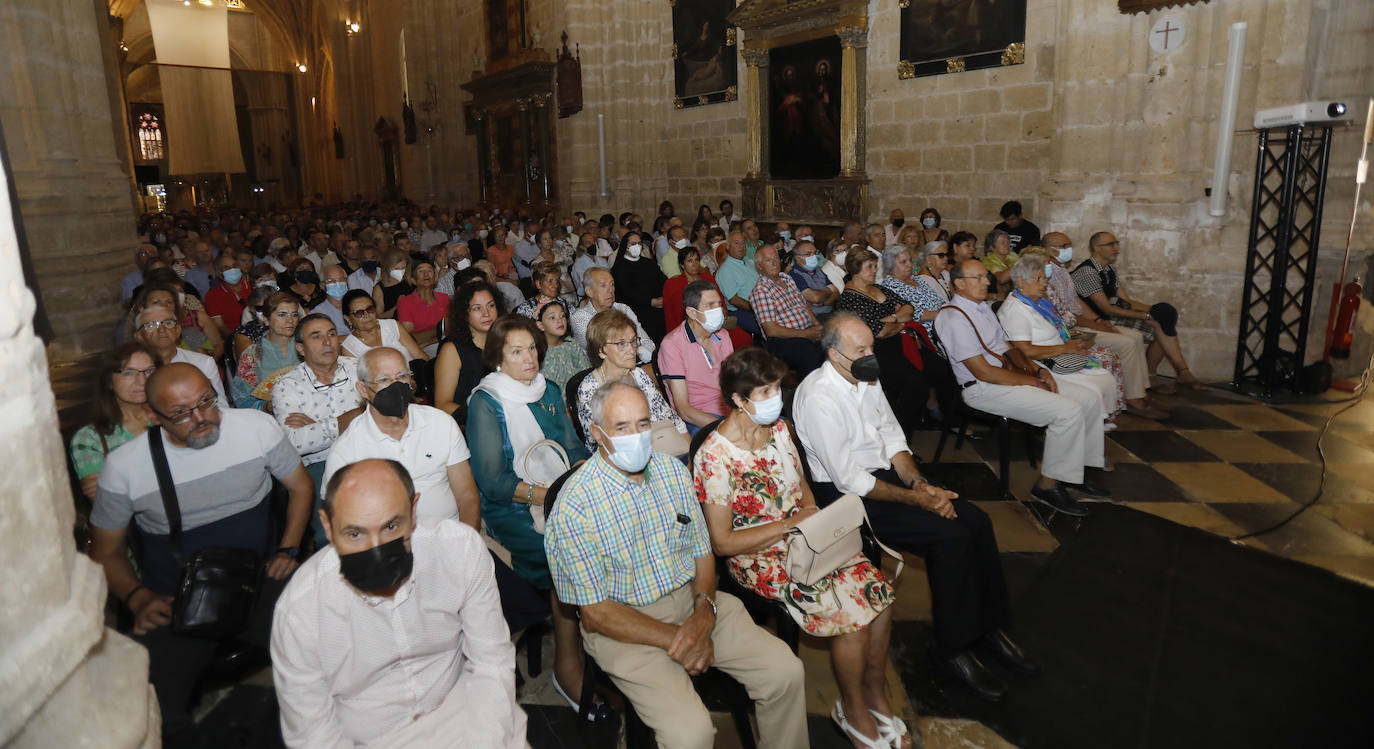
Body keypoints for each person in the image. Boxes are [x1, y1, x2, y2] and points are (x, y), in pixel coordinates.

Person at [545, 380, 808, 748]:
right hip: (625, 627)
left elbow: (703, 550)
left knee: (786, 673)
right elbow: (595, 613)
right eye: (622, 428)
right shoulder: (575, 506)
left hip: (694, 600)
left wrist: (703, 613)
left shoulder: (671, 472)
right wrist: (682, 639)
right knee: (691, 733)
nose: (636, 436)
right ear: (598, 434)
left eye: (642, 423)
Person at [794, 314, 1034, 703]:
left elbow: (892, 437)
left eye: (872, 346)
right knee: (950, 537)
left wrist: (920, 483)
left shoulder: (865, 376)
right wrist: (918, 499)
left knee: (977, 520)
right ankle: (951, 649)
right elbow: (850, 481)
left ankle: (988, 627)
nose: (872, 355)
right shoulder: (818, 397)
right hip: (846, 497)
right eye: (862, 350)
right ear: (835, 355)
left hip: (885, 477)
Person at [695, 348, 908, 748]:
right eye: (764, 391)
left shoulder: (779, 428)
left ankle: (873, 692)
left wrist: (811, 512)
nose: (775, 397)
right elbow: (722, 543)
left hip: (808, 538)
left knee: (880, 593)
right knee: (852, 612)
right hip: (758, 556)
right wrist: (790, 524)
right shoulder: (715, 458)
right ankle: (851, 708)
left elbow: (801, 483)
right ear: (738, 400)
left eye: (777, 387)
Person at [89, 363, 312, 744]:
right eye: (180, 413)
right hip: (178, 598)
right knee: (148, 708)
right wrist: (138, 597)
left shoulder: (255, 429)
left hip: (256, 580)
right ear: (152, 416)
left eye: (207, 402)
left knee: (327, 648)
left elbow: (301, 487)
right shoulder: (124, 467)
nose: (201, 418)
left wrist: (288, 548)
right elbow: (105, 552)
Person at [271, 459, 526, 748]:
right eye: (355, 534)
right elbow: (313, 733)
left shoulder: (458, 550)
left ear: (413, 511)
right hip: (366, 738)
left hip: (464, 713)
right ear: (328, 527)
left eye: (391, 526)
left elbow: (491, 662)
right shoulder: (301, 609)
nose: (376, 550)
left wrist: (486, 741)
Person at [466, 316, 605, 719]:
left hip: (558, 493)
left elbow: (572, 449)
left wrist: (581, 482)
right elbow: (493, 482)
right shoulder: (486, 402)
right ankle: (568, 664)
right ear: (497, 358)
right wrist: (552, 496)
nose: (529, 359)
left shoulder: (548, 389)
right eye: (516, 351)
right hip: (513, 508)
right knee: (568, 549)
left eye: (532, 349)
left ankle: (609, 641)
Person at [936, 260, 1110, 518]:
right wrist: (1035, 382)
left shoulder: (981, 307)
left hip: (1009, 375)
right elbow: (983, 372)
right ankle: (1047, 487)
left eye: (986, 276)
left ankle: (1075, 472)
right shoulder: (952, 318)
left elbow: (1008, 348)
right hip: (983, 388)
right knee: (1068, 411)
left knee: (1090, 398)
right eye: (979, 277)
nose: (988, 281)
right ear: (959, 284)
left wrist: (1039, 370)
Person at [323, 347, 481, 526]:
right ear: (363, 389)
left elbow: (467, 497)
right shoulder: (347, 449)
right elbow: (343, 520)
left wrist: (466, 543)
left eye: (402, 376)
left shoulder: (441, 423)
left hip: (451, 533)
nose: (396, 386)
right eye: (384, 379)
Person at [1036, 234, 1165, 419]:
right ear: (1047, 249)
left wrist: (1098, 321)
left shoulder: (1061, 270)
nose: (1067, 249)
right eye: (1062, 246)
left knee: (1135, 337)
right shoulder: (1050, 274)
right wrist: (1096, 324)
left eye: (1068, 244)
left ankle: (1140, 393)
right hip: (1069, 329)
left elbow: (1076, 303)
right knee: (1127, 343)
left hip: (1079, 322)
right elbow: (1065, 315)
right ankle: (1134, 399)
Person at [271, 313, 365, 546]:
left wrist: (316, 425)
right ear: (300, 348)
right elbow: (294, 442)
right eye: (317, 336)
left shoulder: (360, 368)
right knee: (334, 534)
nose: (327, 342)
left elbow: (387, 412)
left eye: (332, 334)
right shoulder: (287, 386)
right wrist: (345, 420)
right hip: (319, 466)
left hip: (369, 451)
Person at [1071, 231, 1205, 391]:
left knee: (1164, 319)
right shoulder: (1088, 271)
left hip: (1109, 314)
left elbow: (1126, 302)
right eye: (1110, 244)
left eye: (1116, 243)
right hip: (1098, 320)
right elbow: (1107, 309)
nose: (1116, 248)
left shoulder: (1109, 270)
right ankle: (1174, 374)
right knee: (1159, 324)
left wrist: (1154, 309)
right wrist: (1147, 315)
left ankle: (1162, 375)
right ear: (1096, 248)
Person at [1000, 255, 1121, 421]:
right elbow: (1024, 350)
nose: (1045, 283)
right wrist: (1064, 348)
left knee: (1104, 377)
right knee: (1096, 388)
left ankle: (1094, 426)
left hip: (1058, 355)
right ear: (1020, 282)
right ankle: (1086, 427)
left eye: (1045, 278)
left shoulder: (1039, 302)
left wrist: (1068, 344)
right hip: (1042, 365)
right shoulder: (1015, 309)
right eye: (1039, 279)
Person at [836, 250, 935, 434]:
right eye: (870, 267)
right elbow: (878, 332)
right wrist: (900, 319)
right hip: (874, 353)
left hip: (898, 346)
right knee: (916, 386)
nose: (875, 271)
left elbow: (909, 308)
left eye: (875, 266)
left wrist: (893, 319)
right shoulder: (850, 298)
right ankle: (897, 434)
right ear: (855, 270)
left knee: (931, 373)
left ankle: (905, 432)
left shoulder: (879, 288)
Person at [575, 309, 686, 455]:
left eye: (633, 341)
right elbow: (597, 446)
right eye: (621, 344)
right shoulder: (590, 389)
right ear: (601, 351)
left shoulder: (638, 375)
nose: (631, 349)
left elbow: (672, 419)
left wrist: (691, 455)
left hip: (661, 446)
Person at [69, 342, 161, 502]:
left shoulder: (173, 418)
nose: (141, 380)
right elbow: (106, 503)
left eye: (149, 371)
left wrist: (121, 481)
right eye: (128, 373)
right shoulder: (89, 438)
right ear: (109, 381)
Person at [660, 281, 736, 434]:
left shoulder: (723, 336)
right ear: (692, 312)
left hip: (731, 410)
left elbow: (734, 382)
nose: (718, 310)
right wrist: (727, 428)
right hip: (698, 419)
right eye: (710, 305)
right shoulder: (672, 345)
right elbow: (684, 410)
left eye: (719, 304)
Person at [132, 303, 229, 407]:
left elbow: (220, 407)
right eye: (151, 325)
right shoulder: (131, 369)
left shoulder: (203, 363)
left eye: (168, 323)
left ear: (178, 330)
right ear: (139, 337)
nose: (161, 330)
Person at [433, 281, 502, 422]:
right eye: (477, 308)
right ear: (465, 313)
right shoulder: (452, 349)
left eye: (491, 305)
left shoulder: (506, 341)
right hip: (470, 423)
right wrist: (486, 418)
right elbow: (442, 405)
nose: (486, 313)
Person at [751, 244, 825, 375]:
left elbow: (804, 305)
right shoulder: (761, 291)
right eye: (768, 260)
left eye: (776, 258)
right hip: (782, 340)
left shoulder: (787, 278)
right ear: (759, 266)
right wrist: (806, 334)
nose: (774, 263)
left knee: (832, 340)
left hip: (805, 331)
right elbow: (771, 330)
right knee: (810, 352)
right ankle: (808, 391)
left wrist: (817, 325)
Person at [569, 267, 655, 364]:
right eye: (603, 285)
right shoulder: (580, 318)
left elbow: (648, 342)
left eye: (612, 284)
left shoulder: (623, 309)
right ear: (589, 291)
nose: (610, 290)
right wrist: (639, 351)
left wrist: (640, 354)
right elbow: (605, 352)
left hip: (637, 364)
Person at [232, 291, 303, 409]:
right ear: (266, 319)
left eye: (294, 314)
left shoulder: (307, 347)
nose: (290, 320)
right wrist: (268, 406)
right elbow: (241, 399)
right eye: (282, 315)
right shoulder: (252, 355)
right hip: (270, 418)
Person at [340, 289, 428, 363]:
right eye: (359, 313)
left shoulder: (392, 325)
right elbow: (358, 381)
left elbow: (419, 356)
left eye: (369, 309)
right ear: (348, 319)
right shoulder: (349, 348)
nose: (366, 315)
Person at [610, 230, 668, 343]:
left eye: (639, 243)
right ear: (625, 245)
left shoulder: (649, 263)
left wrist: (663, 297)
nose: (637, 246)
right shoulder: (619, 268)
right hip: (636, 311)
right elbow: (626, 293)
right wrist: (650, 301)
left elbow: (663, 280)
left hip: (658, 308)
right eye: (633, 243)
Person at [396, 257, 450, 356]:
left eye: (430, 270)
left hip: (442, 345)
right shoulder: (405, 302)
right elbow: (410, 338)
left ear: (435, 278)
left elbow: (451, 329)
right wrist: (440, 329)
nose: (426, 274)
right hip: (420, 350)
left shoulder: (445, 298)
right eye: (421, 271)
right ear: (413, 280)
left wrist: (429, 340)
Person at [536, 299, 591, 390]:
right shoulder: (537, 352)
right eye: (552, 318)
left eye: (562, 316)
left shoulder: (571, 344)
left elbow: (586, 373)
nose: (560, 321)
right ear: (540, 325)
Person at [715, 231, 761, 336]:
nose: (741, 246)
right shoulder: (726, 270)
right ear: (728, 247)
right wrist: (756, 308)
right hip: (741, 311)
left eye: (743, 243)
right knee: (768, 326)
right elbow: (734, 300)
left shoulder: (749, 262)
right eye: (736, 243)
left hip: (761, 303)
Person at [205, 249, 253, 337]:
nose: (233, 270)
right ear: (219, 273)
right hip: (233, 338)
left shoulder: (252, 286)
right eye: (227, 268)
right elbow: (220, 327)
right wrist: (238, 339)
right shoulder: (213, 295)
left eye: (235, 266)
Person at [787, 239, 840, 318]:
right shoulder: (794, 274)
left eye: (814, 253)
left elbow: (836, 293)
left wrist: (823, 303)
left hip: (830, 313)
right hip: (813, 317)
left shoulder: (818, 270)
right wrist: (828, 291)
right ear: (797, 258)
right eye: (808, 254)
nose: (813, 256)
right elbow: (815, 298)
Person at [371, 249, 414, 319]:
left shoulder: (410, 281)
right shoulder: (379, 289)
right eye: (396, 269)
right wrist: (397, 306)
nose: (400, 272)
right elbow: (378, 318)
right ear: (387, 267)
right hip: (394, 325)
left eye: (403, 268)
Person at [310, 263, 352, 336]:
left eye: (341, 279)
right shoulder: (317, 314)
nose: (337, 284)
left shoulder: (358, 305)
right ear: (322, 285)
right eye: (331, 281)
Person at [981, 229, 1017, 298]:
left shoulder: (1012, 256)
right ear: (992, 247)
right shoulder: (987, 261)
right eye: (1003, 243)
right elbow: (1001, 279)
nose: (1007, 245)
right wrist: (1019, 263)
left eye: (1008, 242)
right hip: (997, 297)